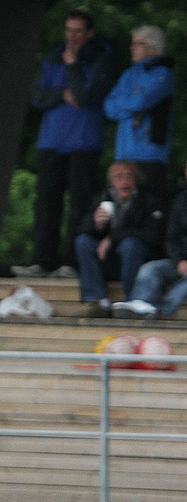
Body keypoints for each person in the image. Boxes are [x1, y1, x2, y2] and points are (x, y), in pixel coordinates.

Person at [14, 10, 112, 279]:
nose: (73, 36)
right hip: (52, 142)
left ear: (90, 33)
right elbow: (36, 96)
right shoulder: (53, 57)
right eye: (69, 30)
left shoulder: (99, 59)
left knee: (80, 205)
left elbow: (83, 97)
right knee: (46, 203)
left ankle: (72, 263)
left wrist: (72, 67)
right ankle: (42, 261)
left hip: (84, 143)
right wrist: (61, 93)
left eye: (78, 31)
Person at [74, 160, 165, 317]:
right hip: (110, 261)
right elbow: (82, 229)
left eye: (129, 176)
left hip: (139, 262)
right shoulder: (102, 197)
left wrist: (112, 238)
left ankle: (132, 301)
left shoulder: (149, 199)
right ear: (111, 182)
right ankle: (97, 299)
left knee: (129, 244)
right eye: (119, 177)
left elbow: (154, 237)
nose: (124, 181)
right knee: (83, 242)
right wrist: (95, 224)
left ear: (136, 180)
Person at [103, 25, 175, 204]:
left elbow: (140, 102)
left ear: (153, 48)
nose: (131, 48)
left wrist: (127, 103)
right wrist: (132, 106)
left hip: (149, 155)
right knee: (121, 210)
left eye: (138, 43)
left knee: (149, 208)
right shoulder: (129, 74)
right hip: (124, 154)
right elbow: (108, 107)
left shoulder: (163, 74)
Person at [113, 160, 187, 319]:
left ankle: (162, 313)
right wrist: (180, 261)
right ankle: (141, 303)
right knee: (150, 269)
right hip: (181, 263)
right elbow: (171, 238)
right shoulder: (181, 201)